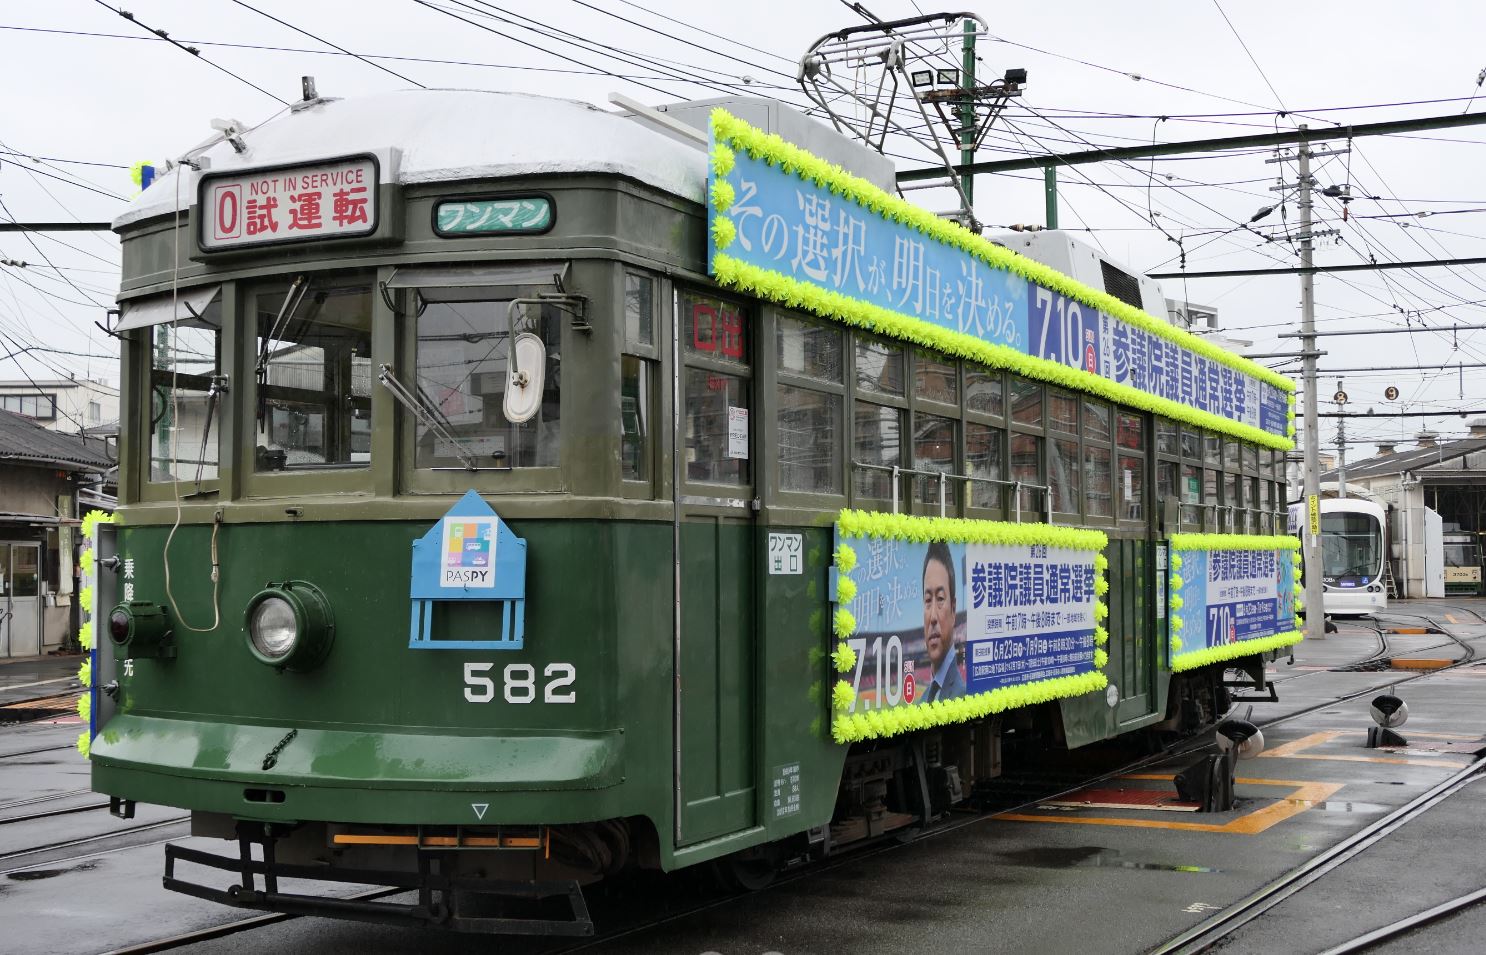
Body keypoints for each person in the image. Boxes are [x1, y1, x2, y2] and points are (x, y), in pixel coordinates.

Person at [920, 542, 965, 702]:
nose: (932, 617)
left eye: (940, 599)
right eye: (927, 600)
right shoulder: (921, 702)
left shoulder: (962, 693)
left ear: (953, 609)